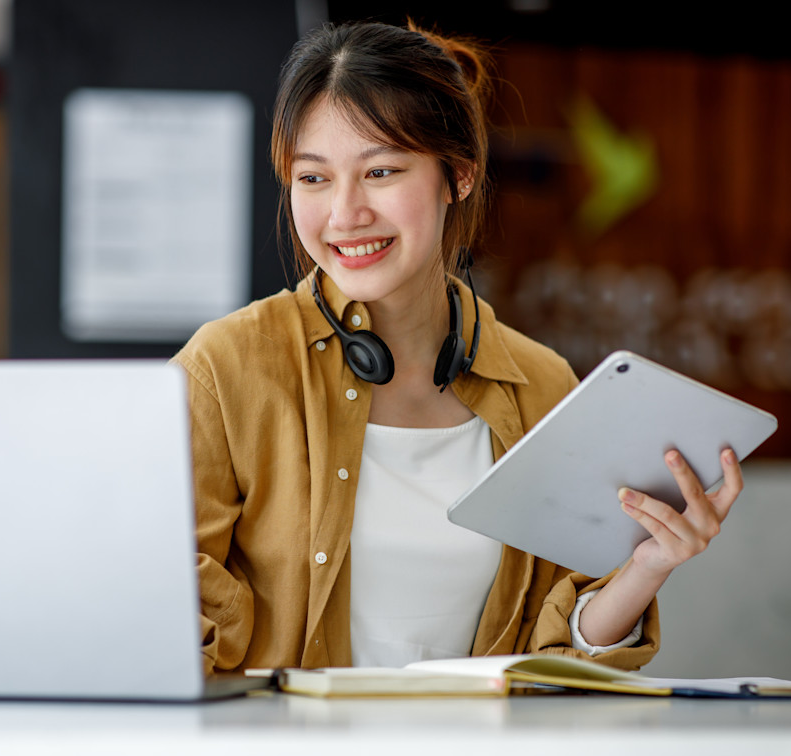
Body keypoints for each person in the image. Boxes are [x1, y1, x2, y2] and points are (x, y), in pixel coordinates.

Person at [172, 20, 743, 676]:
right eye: (314, 178)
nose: (345, 213)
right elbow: (159, 607)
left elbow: (551, 652)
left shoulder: (539, 385)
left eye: (381, 171)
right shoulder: (226, 370)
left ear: (459, 175)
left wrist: (646, 569)